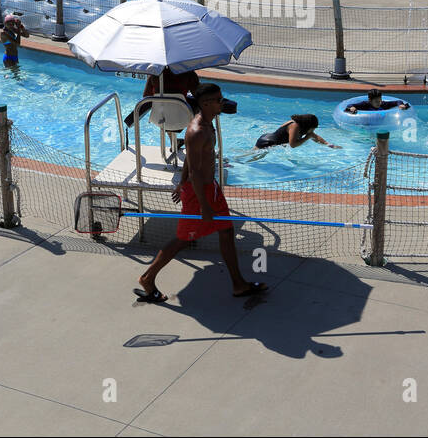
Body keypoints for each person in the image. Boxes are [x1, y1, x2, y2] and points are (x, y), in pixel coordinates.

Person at [136, 83, 266, 303]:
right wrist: (204, 205)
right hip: (200, 194)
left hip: (210, 189)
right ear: (205, 104)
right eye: (218, 99)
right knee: (182, 239)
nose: (222, 102)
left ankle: (238, 284)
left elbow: (188, 159)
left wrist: (181, 181)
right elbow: (196, 171)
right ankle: (148, 278)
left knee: (226, 231)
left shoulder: (208, 124)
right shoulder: (196, 131)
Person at [253, 114, 340, 151]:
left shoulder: (302, 127)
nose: (313, 131)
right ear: (308, 125)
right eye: (313, 128)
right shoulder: (295, 126)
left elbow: (314, 136)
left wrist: (329, 145)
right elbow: (293, 145)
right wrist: (306, 138)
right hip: (267, 142)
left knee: (251, 156)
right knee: (250, 158)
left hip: (270, 139)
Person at [345, 88, 409, 115]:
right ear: (370, 100)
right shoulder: (365, 105)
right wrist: (352, 108)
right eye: (376, 101)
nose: (379, 103)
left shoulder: (383, 104)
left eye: (380, 100)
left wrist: (400, 105)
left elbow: (398, 101)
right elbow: (349, 105)